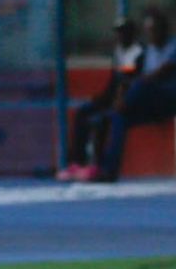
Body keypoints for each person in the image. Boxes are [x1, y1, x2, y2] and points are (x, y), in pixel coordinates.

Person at [93, 8, 176, 183]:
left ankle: (121, 106)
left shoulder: (175, 46)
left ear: (163, 29)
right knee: (119, 118)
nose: (151, 34)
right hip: (153, 103)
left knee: (139, 86)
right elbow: (130, 75)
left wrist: (127, 96)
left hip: (174, 99)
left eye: (154, 30)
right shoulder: (147, 50)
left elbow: (160, 74)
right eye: (148, 31)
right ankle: (108, 170)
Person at [58, 16, 144, 180]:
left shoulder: (139, 53)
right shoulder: (118, 52)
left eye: (124, 32)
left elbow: (130, 79)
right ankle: (77, 162)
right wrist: (100, 98)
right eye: (118, 32)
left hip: (127, 100)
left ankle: (98, 166)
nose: (120, 36)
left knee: (102, 120)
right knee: (82, 112)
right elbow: (114, 81)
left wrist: (119, 98)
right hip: (112, 98)